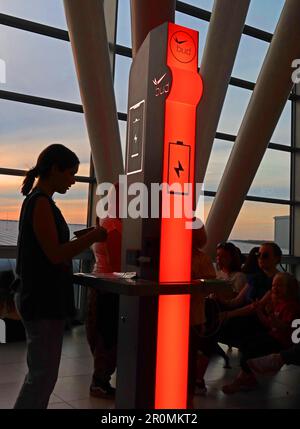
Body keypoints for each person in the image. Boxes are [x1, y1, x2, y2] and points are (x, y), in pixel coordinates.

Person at [13, 144, 107, 409]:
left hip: (37, 298)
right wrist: (92, 238)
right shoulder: (41, 203)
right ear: (55, 169)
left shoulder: (37, 201)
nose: (73, 181)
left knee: (41, 374)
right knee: (43, 376)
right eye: (70, 174)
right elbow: (55, 254)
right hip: (42, 300)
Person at [222, 272, 300, 394]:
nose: (275, 288)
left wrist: (273, 318)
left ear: (289, 289)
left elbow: (287, 327)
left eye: (279, 285)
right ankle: (247, 377)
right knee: (248, 343)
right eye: (274, 285)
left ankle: (242, 380)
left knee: (253, 348)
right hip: (273, 337)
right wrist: (260, 311)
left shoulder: (291, 306)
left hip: (281, 342)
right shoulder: (278, 304)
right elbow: (268, 324)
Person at [86, 183, 121, 398]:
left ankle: (100, 380)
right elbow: (118, 266)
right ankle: (100, 381)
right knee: (107, 336)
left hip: (100, 284)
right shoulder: (115, 225)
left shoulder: (106, 220)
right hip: (110, 289)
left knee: (102, 333)